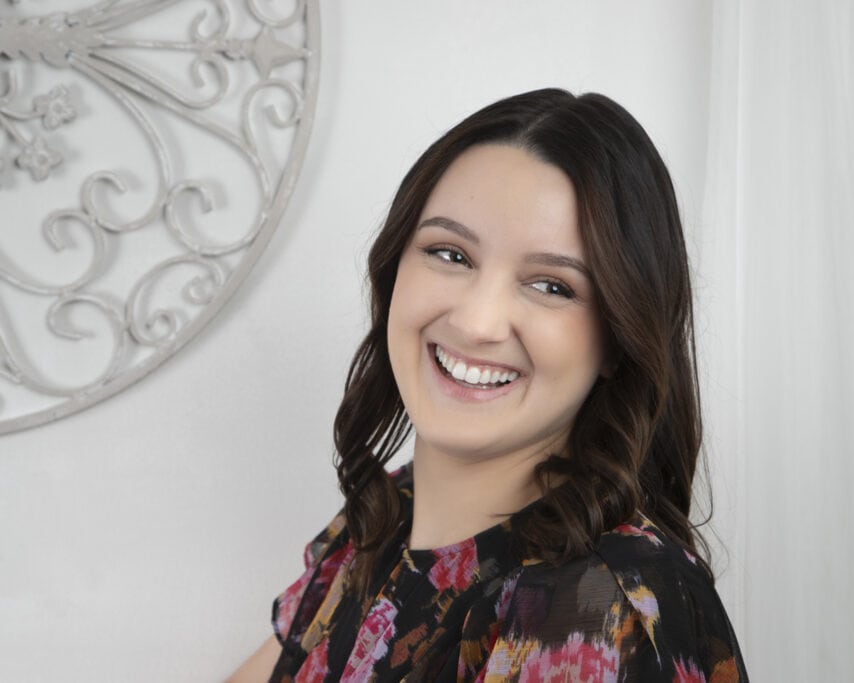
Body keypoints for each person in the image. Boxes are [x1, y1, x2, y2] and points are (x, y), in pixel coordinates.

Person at [228, 88, 748, 682]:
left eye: (552, 286)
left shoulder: (596, 607)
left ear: (618, 339)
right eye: (450, 253)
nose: (476, 323)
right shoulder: (382, 517)